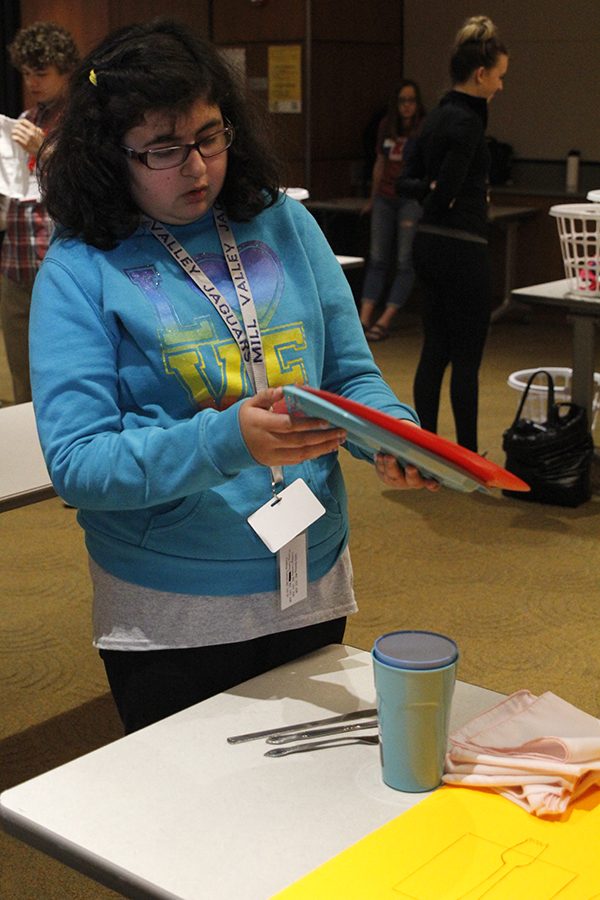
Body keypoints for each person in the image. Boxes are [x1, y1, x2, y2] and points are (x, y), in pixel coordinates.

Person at [30, 20, 439, 735]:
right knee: (192, 824)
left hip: (308, 564)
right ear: (109, 154)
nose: (196, 169)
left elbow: (349, 376)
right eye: (163, 148)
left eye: (210, 137)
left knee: (306, 811)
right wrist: (226, 442)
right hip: (172, 602)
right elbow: (79, 465)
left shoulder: (284, 224)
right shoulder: (80, 267)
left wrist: (392, 437)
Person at [398, 16, 508, 452]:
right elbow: (446, 191)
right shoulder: (467, 125)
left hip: (427, 246)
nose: (501, 86)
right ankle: (465, 456)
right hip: (463, 250)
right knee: (467, 358)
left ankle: (427, 450)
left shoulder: (434, 119)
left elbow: (408, 182)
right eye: (499, 77)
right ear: (480, 74)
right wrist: (441, 193)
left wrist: (429, 191)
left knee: (434, 350)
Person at [0, 22, 79, 404]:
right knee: (20, 378)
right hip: (15, 262)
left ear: (65, 70)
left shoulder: (83, 118)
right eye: (27, 73)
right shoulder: (27, 116)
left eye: (42, 73)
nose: (32, 82)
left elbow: (87, 180)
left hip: (59, 264)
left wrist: (44, 147)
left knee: (61, 377)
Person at [360, 80, 425, 342]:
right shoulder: (386, 125)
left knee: (404, 261)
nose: (407, 106)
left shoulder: (423, 128)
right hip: (385, 199)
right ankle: (363, 318)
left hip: (409, 200)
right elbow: (380, 162)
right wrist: (373, 198)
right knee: (377, 258)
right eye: (402, 101)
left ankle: (385, 319)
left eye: (411, 100)